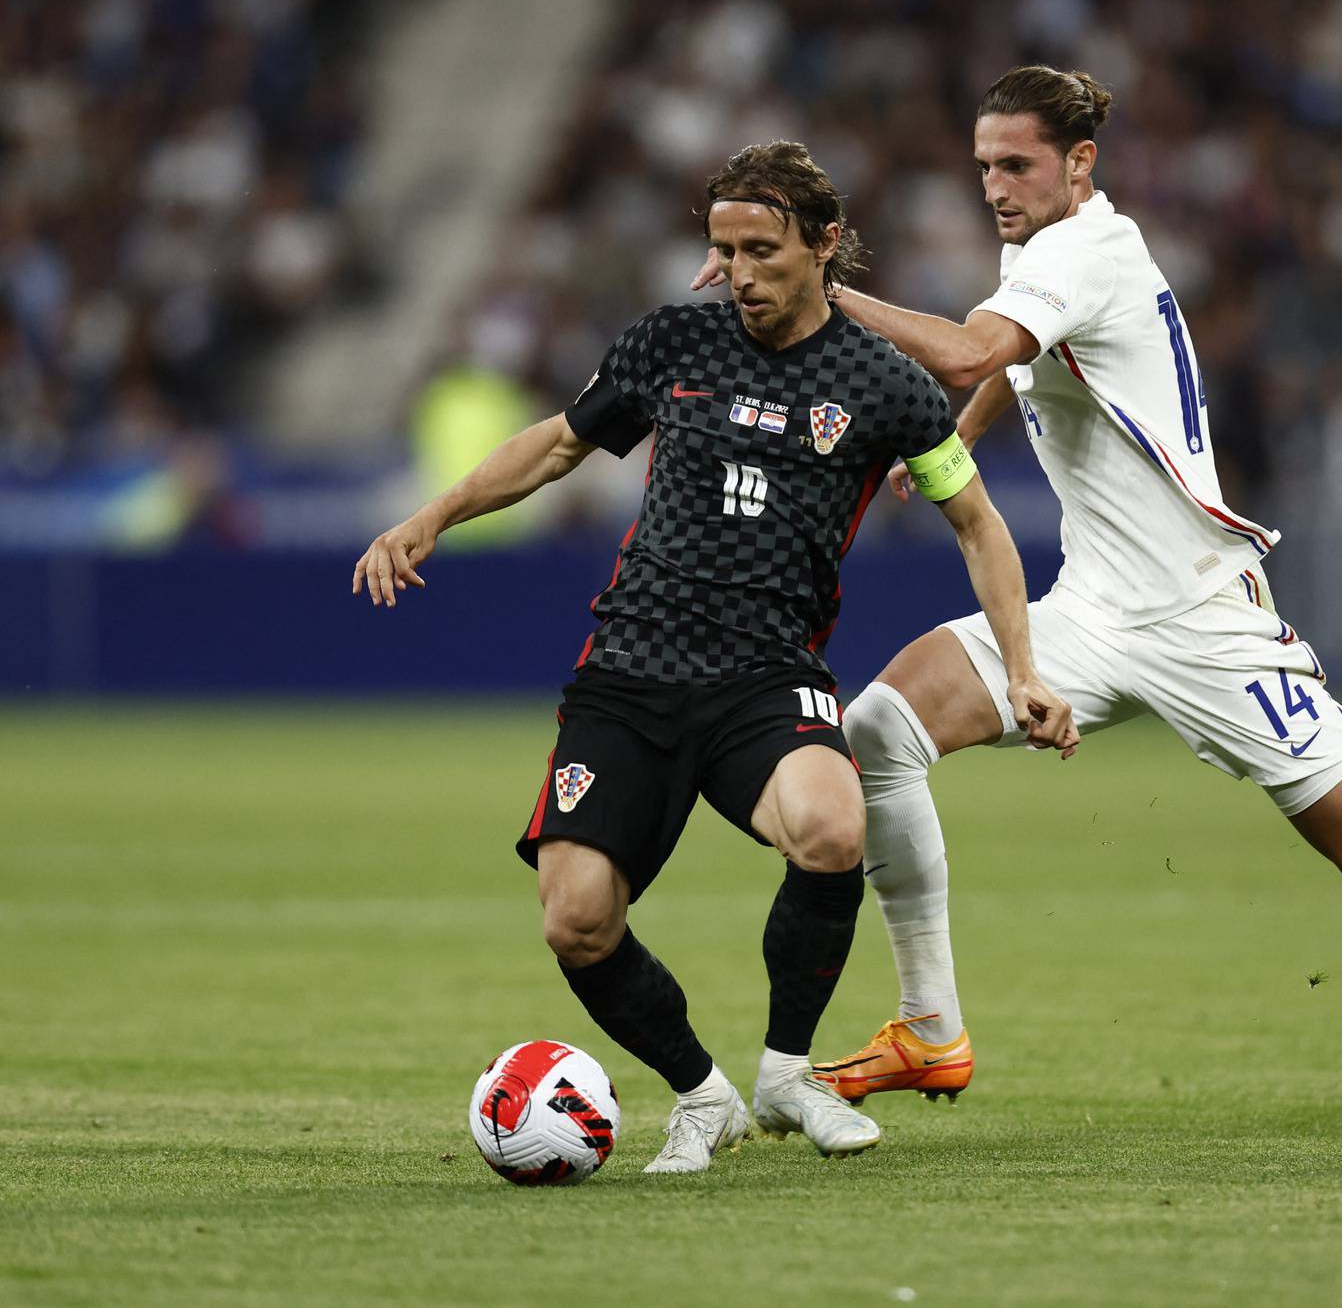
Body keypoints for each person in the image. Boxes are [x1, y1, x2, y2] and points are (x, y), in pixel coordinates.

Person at [694, 65, 1342, 1145]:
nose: (996, 185)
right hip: (1092, 611)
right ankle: (930, 1028)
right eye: (985, 165)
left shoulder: (1086, 249)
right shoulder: (1041, 248)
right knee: (879, 725)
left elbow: (967, 347)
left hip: (1202, 619)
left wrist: (820, 287)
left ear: (1079, 163)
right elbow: (1017, 360)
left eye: (1017, 165)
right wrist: (975, 429)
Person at [355, 141, 1076, 1173]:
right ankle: (703, 1096)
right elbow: (560, 441)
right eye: (724, 249)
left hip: (766, 677)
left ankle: (787, 1075)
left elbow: (978, 523)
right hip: (632, 671)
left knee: (832, 826)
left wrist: (1023, 671)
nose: (740, 273)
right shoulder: (672, 342)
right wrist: (434, 516)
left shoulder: (887, 386)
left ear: (825, 247)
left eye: (764, 250)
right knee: (576, 921)